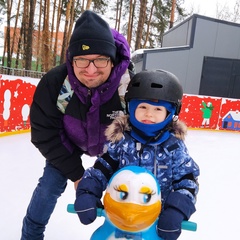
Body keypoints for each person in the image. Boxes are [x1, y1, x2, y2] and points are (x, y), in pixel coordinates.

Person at [21, 10, 130, 239]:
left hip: (113, 149)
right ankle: (31, 233)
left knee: (127, 191)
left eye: (100, 59)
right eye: (82, 60)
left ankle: (124, 234)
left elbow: (141, 130)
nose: (90, 70)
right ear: (72, 59)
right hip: (69, 143)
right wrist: (77, 174)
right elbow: (44, 134)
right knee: (49, 185)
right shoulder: (56, 83)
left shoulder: (127, 87)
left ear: (112, 59)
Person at [74, 69, 200, 240]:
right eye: (143, 107)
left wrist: (176, 210)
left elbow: (187, 181)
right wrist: (87, 192)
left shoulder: (173, 148)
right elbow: (101, 170)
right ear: (131, 107)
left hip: (154, 224)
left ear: (170, 113)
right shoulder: (121, 142)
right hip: (119, 219)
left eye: (157, 109)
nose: (149, 114)